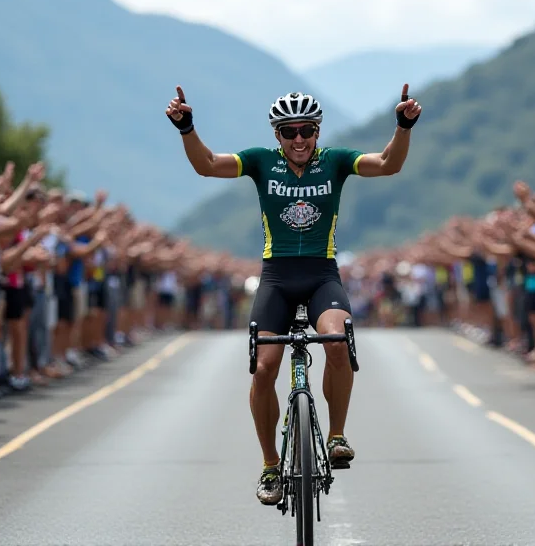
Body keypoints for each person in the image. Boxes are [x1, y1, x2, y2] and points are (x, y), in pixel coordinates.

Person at [165, 85, 421, 505]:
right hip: (277, 278)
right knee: (264, 369)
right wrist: (187, 128)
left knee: (338, 341)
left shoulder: (335, 162)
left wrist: (403, 125)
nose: (299, 139)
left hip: (322, 275)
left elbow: (389, 163)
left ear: (317, 132)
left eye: (306, 130)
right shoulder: (261, 162)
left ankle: (336, 435)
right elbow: (207, 165)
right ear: (277, 136)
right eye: (289, 132)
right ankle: (270, 465)